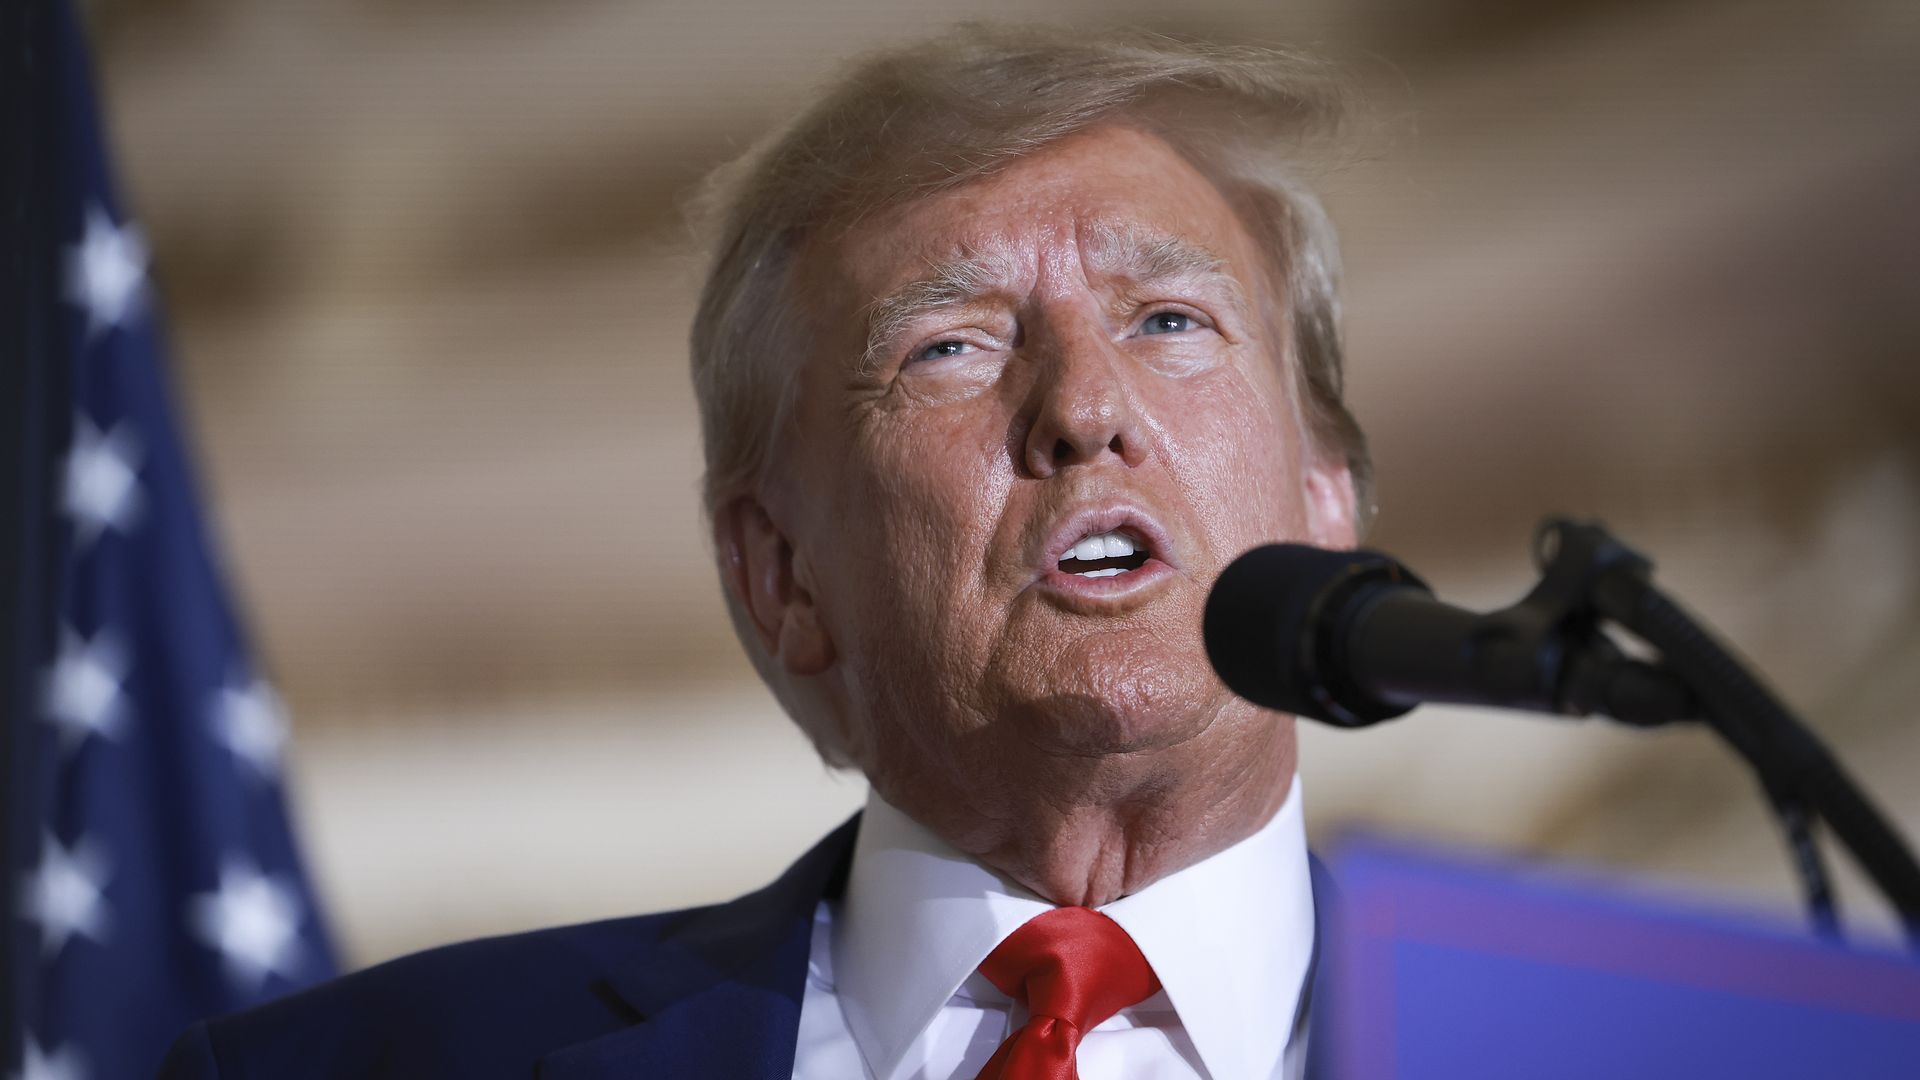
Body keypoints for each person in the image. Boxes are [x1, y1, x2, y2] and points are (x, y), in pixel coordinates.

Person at [160, 23, 1372, 1080]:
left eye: (1170, 319)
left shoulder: (1551, 1032)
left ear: (1326, 504)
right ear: (781, 574)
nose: (1084, 408)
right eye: (949, 347)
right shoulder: (355, 1069)